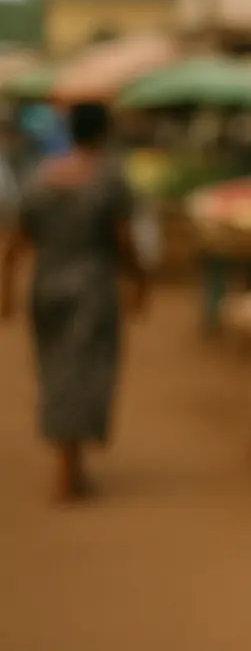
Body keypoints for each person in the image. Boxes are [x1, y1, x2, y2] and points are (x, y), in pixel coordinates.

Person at [1, 101, 147, 501]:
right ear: (103, 133)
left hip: (46, 287)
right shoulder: (109, 180)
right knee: (87, 371)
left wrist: (6, 291)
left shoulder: (40, 177)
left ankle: (70, 461)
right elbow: (124, 240)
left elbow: (15, 242)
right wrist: (139, 281)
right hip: (92, 288)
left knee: (55, 369)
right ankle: (68, 466)